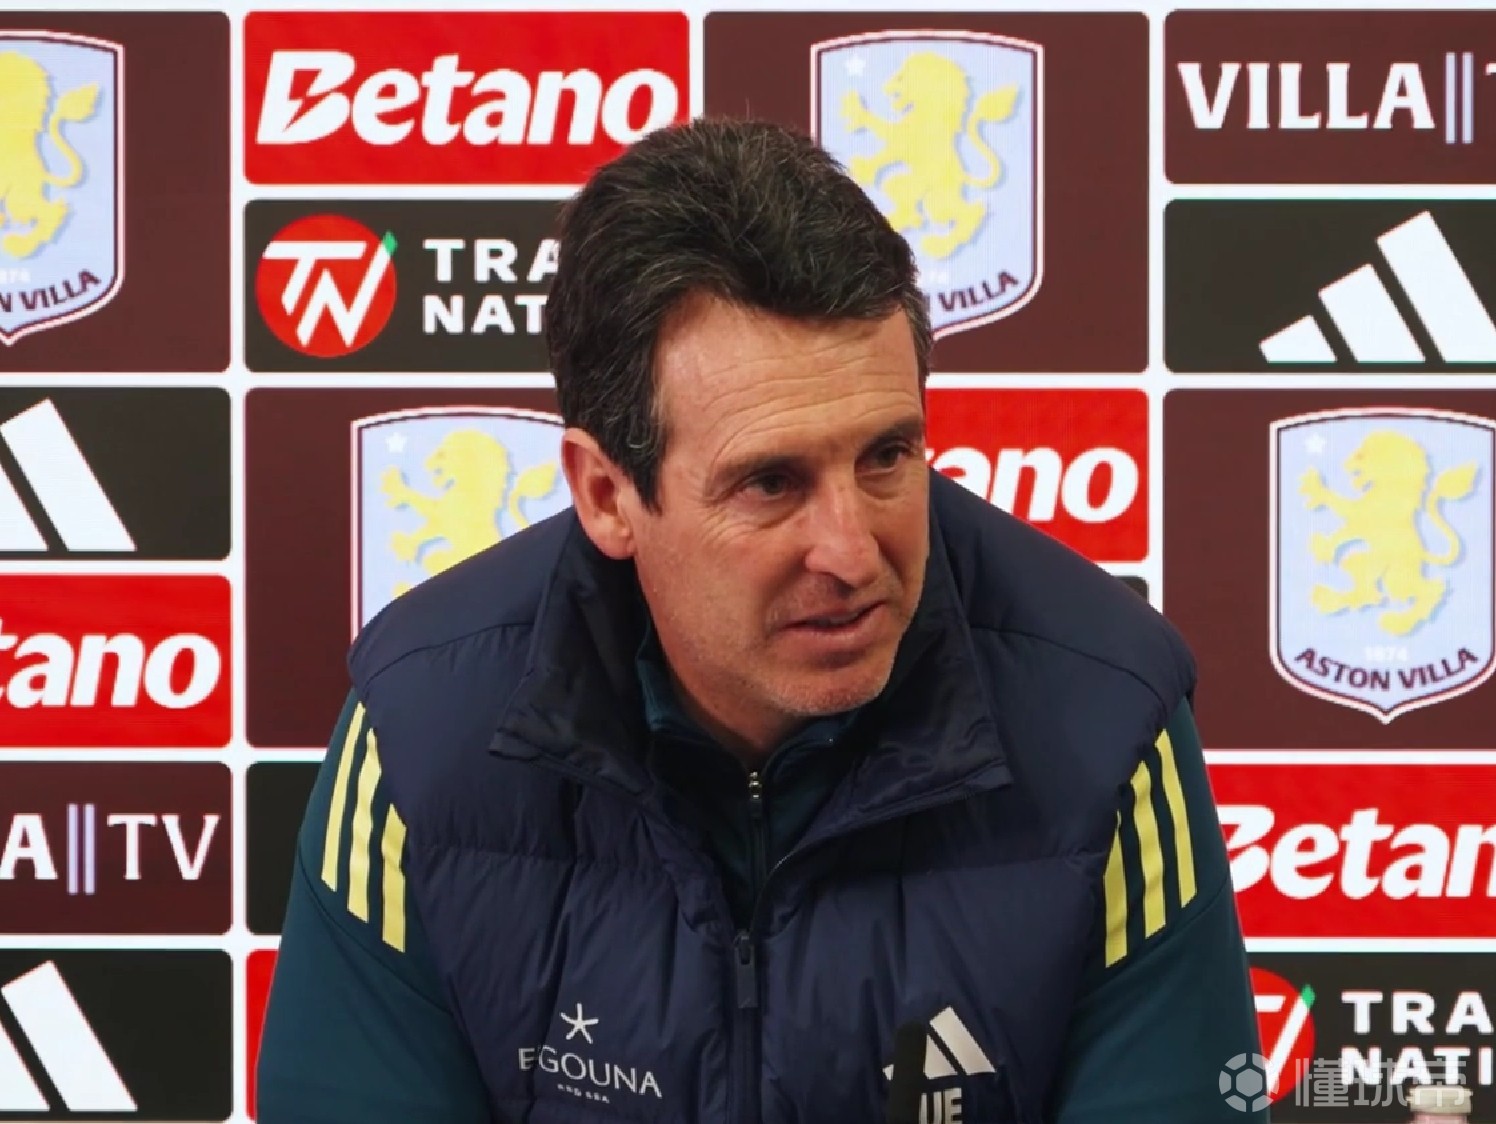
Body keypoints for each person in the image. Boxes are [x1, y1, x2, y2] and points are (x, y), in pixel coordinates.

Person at [255, 117, 1266, 1123]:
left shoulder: (1101, 715)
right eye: (771, 483)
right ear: (606, 494)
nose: (852, 552)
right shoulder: (422, 730)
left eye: (886, 456)